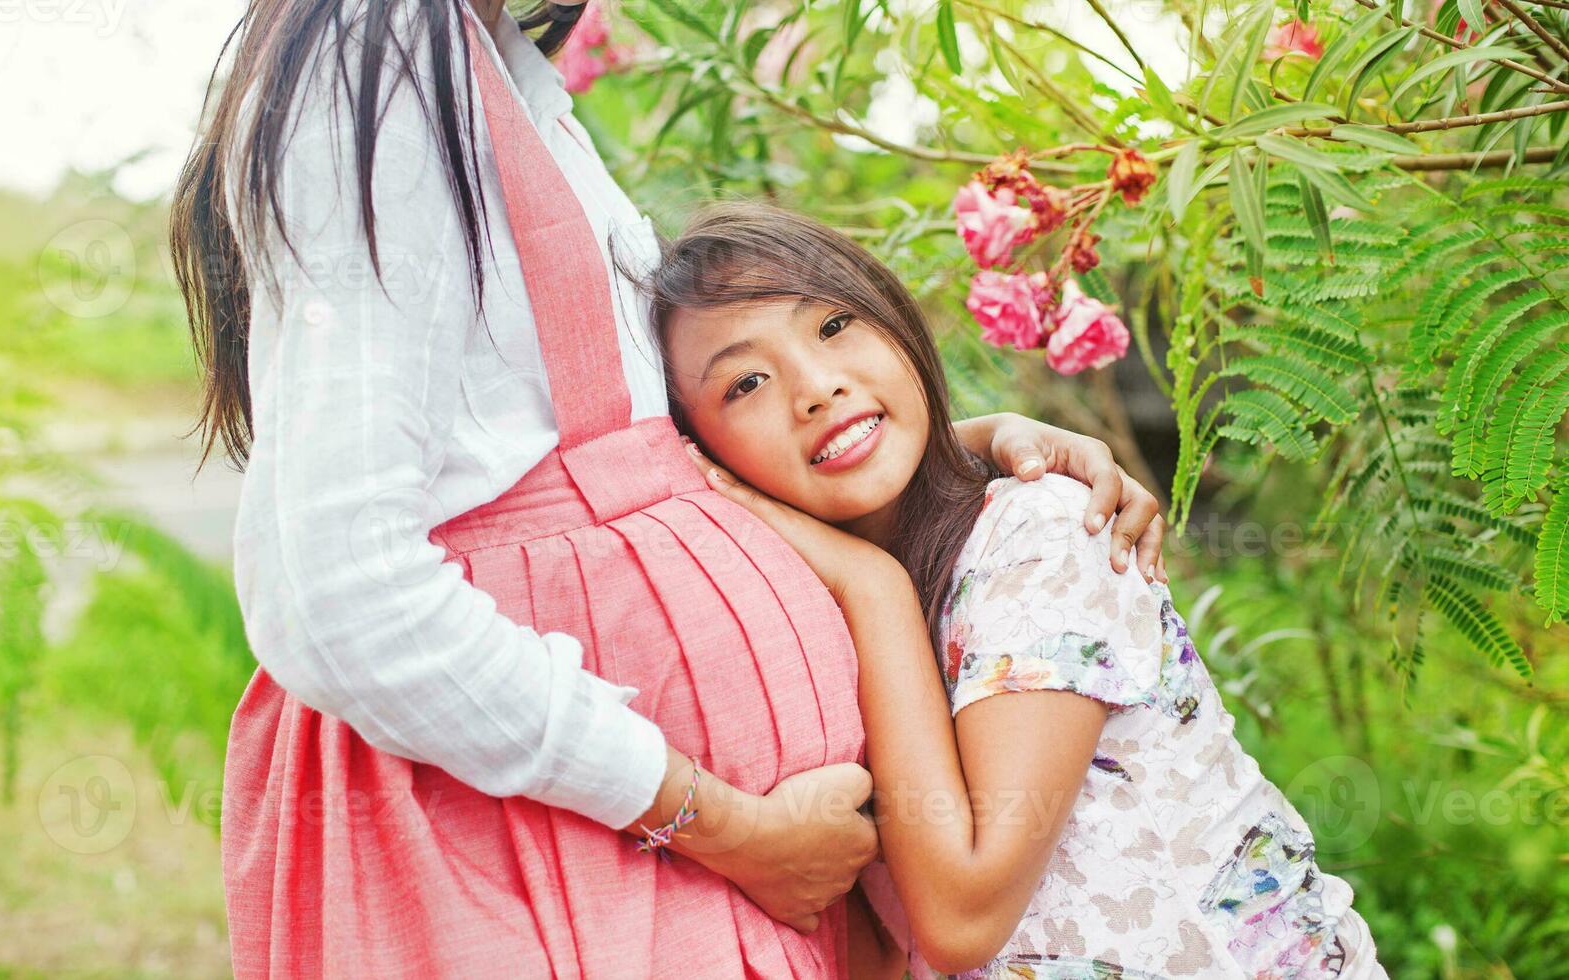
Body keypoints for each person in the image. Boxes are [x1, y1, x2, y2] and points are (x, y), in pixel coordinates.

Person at [169, 1, 1168, 975]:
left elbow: (632, 461)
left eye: (834, 331)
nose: (813, 383)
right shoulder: (379, 62)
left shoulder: (495, 73)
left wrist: (965, 443)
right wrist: (720, 820)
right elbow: (337, 593)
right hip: (563, 861)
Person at [655, 202, 1386, 980]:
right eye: (746, 382)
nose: (815, 387)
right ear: (700, 453)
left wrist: (876, 589)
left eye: (834, 326)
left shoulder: (1039, 536)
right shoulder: (792, 622)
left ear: (895, 320)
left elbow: (959, 917)